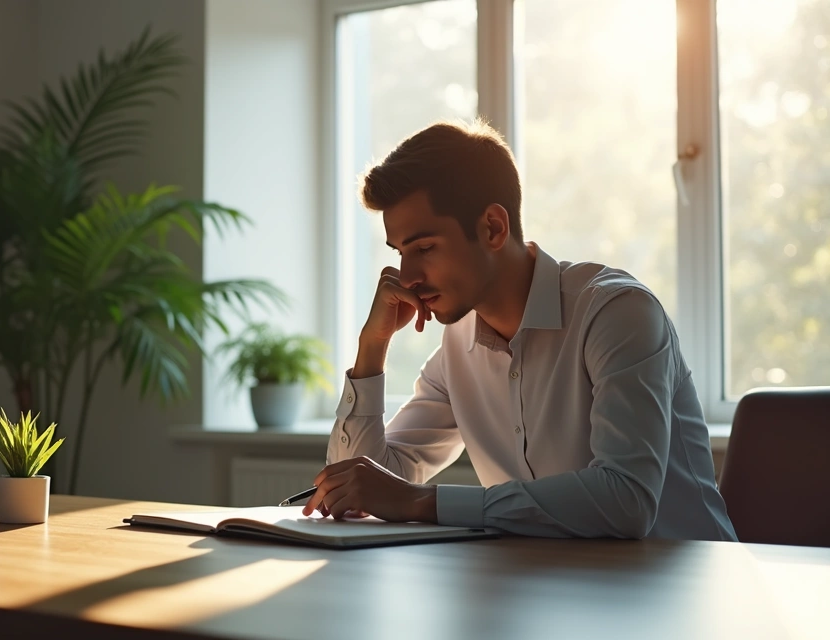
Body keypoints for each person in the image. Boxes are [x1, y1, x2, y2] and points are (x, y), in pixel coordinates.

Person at [303, 120, 736, 541]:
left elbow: (625, 501)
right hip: (554, 593)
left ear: (493, 227)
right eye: (400, 252)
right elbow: (357, 487)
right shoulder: (458, 348)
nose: (407, 275)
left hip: (686, 594)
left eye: (425, 248)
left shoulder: (617, 313)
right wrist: (371, 349)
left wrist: (423, 502)